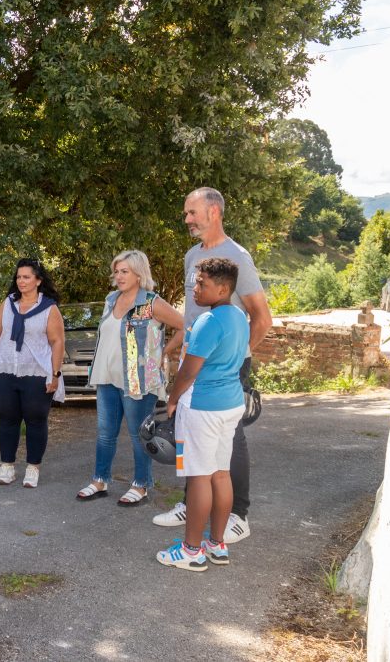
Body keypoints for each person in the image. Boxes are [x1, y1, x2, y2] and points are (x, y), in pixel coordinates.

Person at [153, 188, 272, 541]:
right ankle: (193, 503)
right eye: (186, 214)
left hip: (225, 369)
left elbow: (262, 318)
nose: (187, 219)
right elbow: (192, 313)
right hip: (196, 362)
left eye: (192, 213)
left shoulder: (237, 256)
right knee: (191, 434)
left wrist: (234, 358)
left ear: (214, 211)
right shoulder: (193, 255)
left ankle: (239, 515)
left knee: (230, 439)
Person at [156, 257, 249, 571]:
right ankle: (217, 544)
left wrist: (172, 399)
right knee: (221, 474)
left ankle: (191, 550)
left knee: (199, 478)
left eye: (202, 284)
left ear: (222, 289)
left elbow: (188, 371)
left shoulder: (210, 322)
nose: (194, 289)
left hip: (203, 407)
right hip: (230, 404)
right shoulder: (238, 316)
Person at [76, 250, 183, 506]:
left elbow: (185, 326)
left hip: (138, 382)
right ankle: (100, 480)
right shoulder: (111, 299)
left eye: (124, 271)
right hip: (107, 377)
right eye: (117, 271)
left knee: (138, 435)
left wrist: (164, 353)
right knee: (105, 433)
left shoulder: (151, 303)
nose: (119, 276)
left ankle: (141, 484)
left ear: (138, 273)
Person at [0, 258, 65, 489]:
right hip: (6, 370)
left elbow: (57, 341)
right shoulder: (8, 303)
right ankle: (7, 466)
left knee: (36, 420)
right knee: (7, 419)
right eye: (19, 277)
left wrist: (55, 374)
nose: (21, 281)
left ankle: (32, 467)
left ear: (38, 280)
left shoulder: (49, 308)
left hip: (36, 372)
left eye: (27, 277)